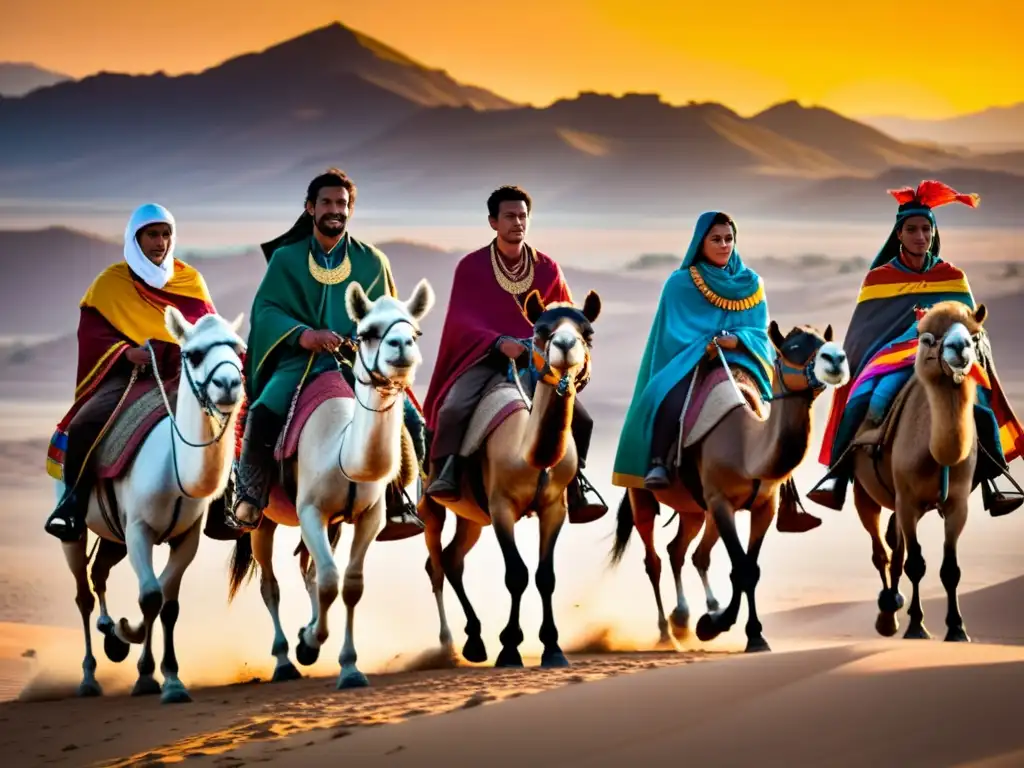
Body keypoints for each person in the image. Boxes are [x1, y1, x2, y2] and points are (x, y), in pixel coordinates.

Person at [224, 168, 426, 535]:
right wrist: (303, 335)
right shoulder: (287, 259)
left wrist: (362, 344)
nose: (335, 209)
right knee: (262, 412)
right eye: (327, 202)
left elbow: (389, 315)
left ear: (351, 209)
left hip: (358, 366)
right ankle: (250, 498)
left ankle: (398, 500)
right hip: (298, 364)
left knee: (411, 420)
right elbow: (266, 310)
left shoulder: (373, 261)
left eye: (342, 203)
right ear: (310, 208)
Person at [808, 180, 1024, 516]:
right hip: (891, 360)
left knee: (980, 406)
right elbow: (865, 334)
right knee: (862, 401)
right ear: (899, 234)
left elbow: (971, 329)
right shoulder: (879, 279)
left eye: (926, 229)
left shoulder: (952, 276)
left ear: (934, 233)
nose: (920, 237)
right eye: (912, 230)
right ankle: (837, 478)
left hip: (945, 362)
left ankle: (995, 483)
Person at [611, 210, 822, 533]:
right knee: (664, 396)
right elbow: (673, 332)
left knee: (776, 409)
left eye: (729, 239)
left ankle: (787, 495)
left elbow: (760, 331)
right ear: (700, 242)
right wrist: (706, 345)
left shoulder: (751, 283)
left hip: (742, 360)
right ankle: (657, 464)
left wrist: (737, 340)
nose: (724, 245)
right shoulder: (680, 283)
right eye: (716, 239)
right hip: (692, 360)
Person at [422, 185, 605, 520]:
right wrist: (497, 342)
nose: (517, 222)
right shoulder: (471, 267)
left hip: (534, 362)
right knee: (454, 407)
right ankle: (446, 474)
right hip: (483, 359)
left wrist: (538, 347)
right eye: (509, 216)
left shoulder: (548, 268)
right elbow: (462, 320)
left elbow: (563, 316)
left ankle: (575, 481)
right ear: (493, 221)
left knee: (582, 418)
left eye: (523, 216)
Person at [44, 203, 218, 542]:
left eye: (166, 234)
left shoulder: (190, 280)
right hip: (129, 377)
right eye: (152, 234)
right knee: (84, 424)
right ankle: (73, 505)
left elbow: (208, 329)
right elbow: (93, 332)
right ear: (135, 238)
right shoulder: (111, 283)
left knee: (224, 421)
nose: (160, 242)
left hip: (181, 377)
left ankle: (229, 503)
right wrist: (126, 353)